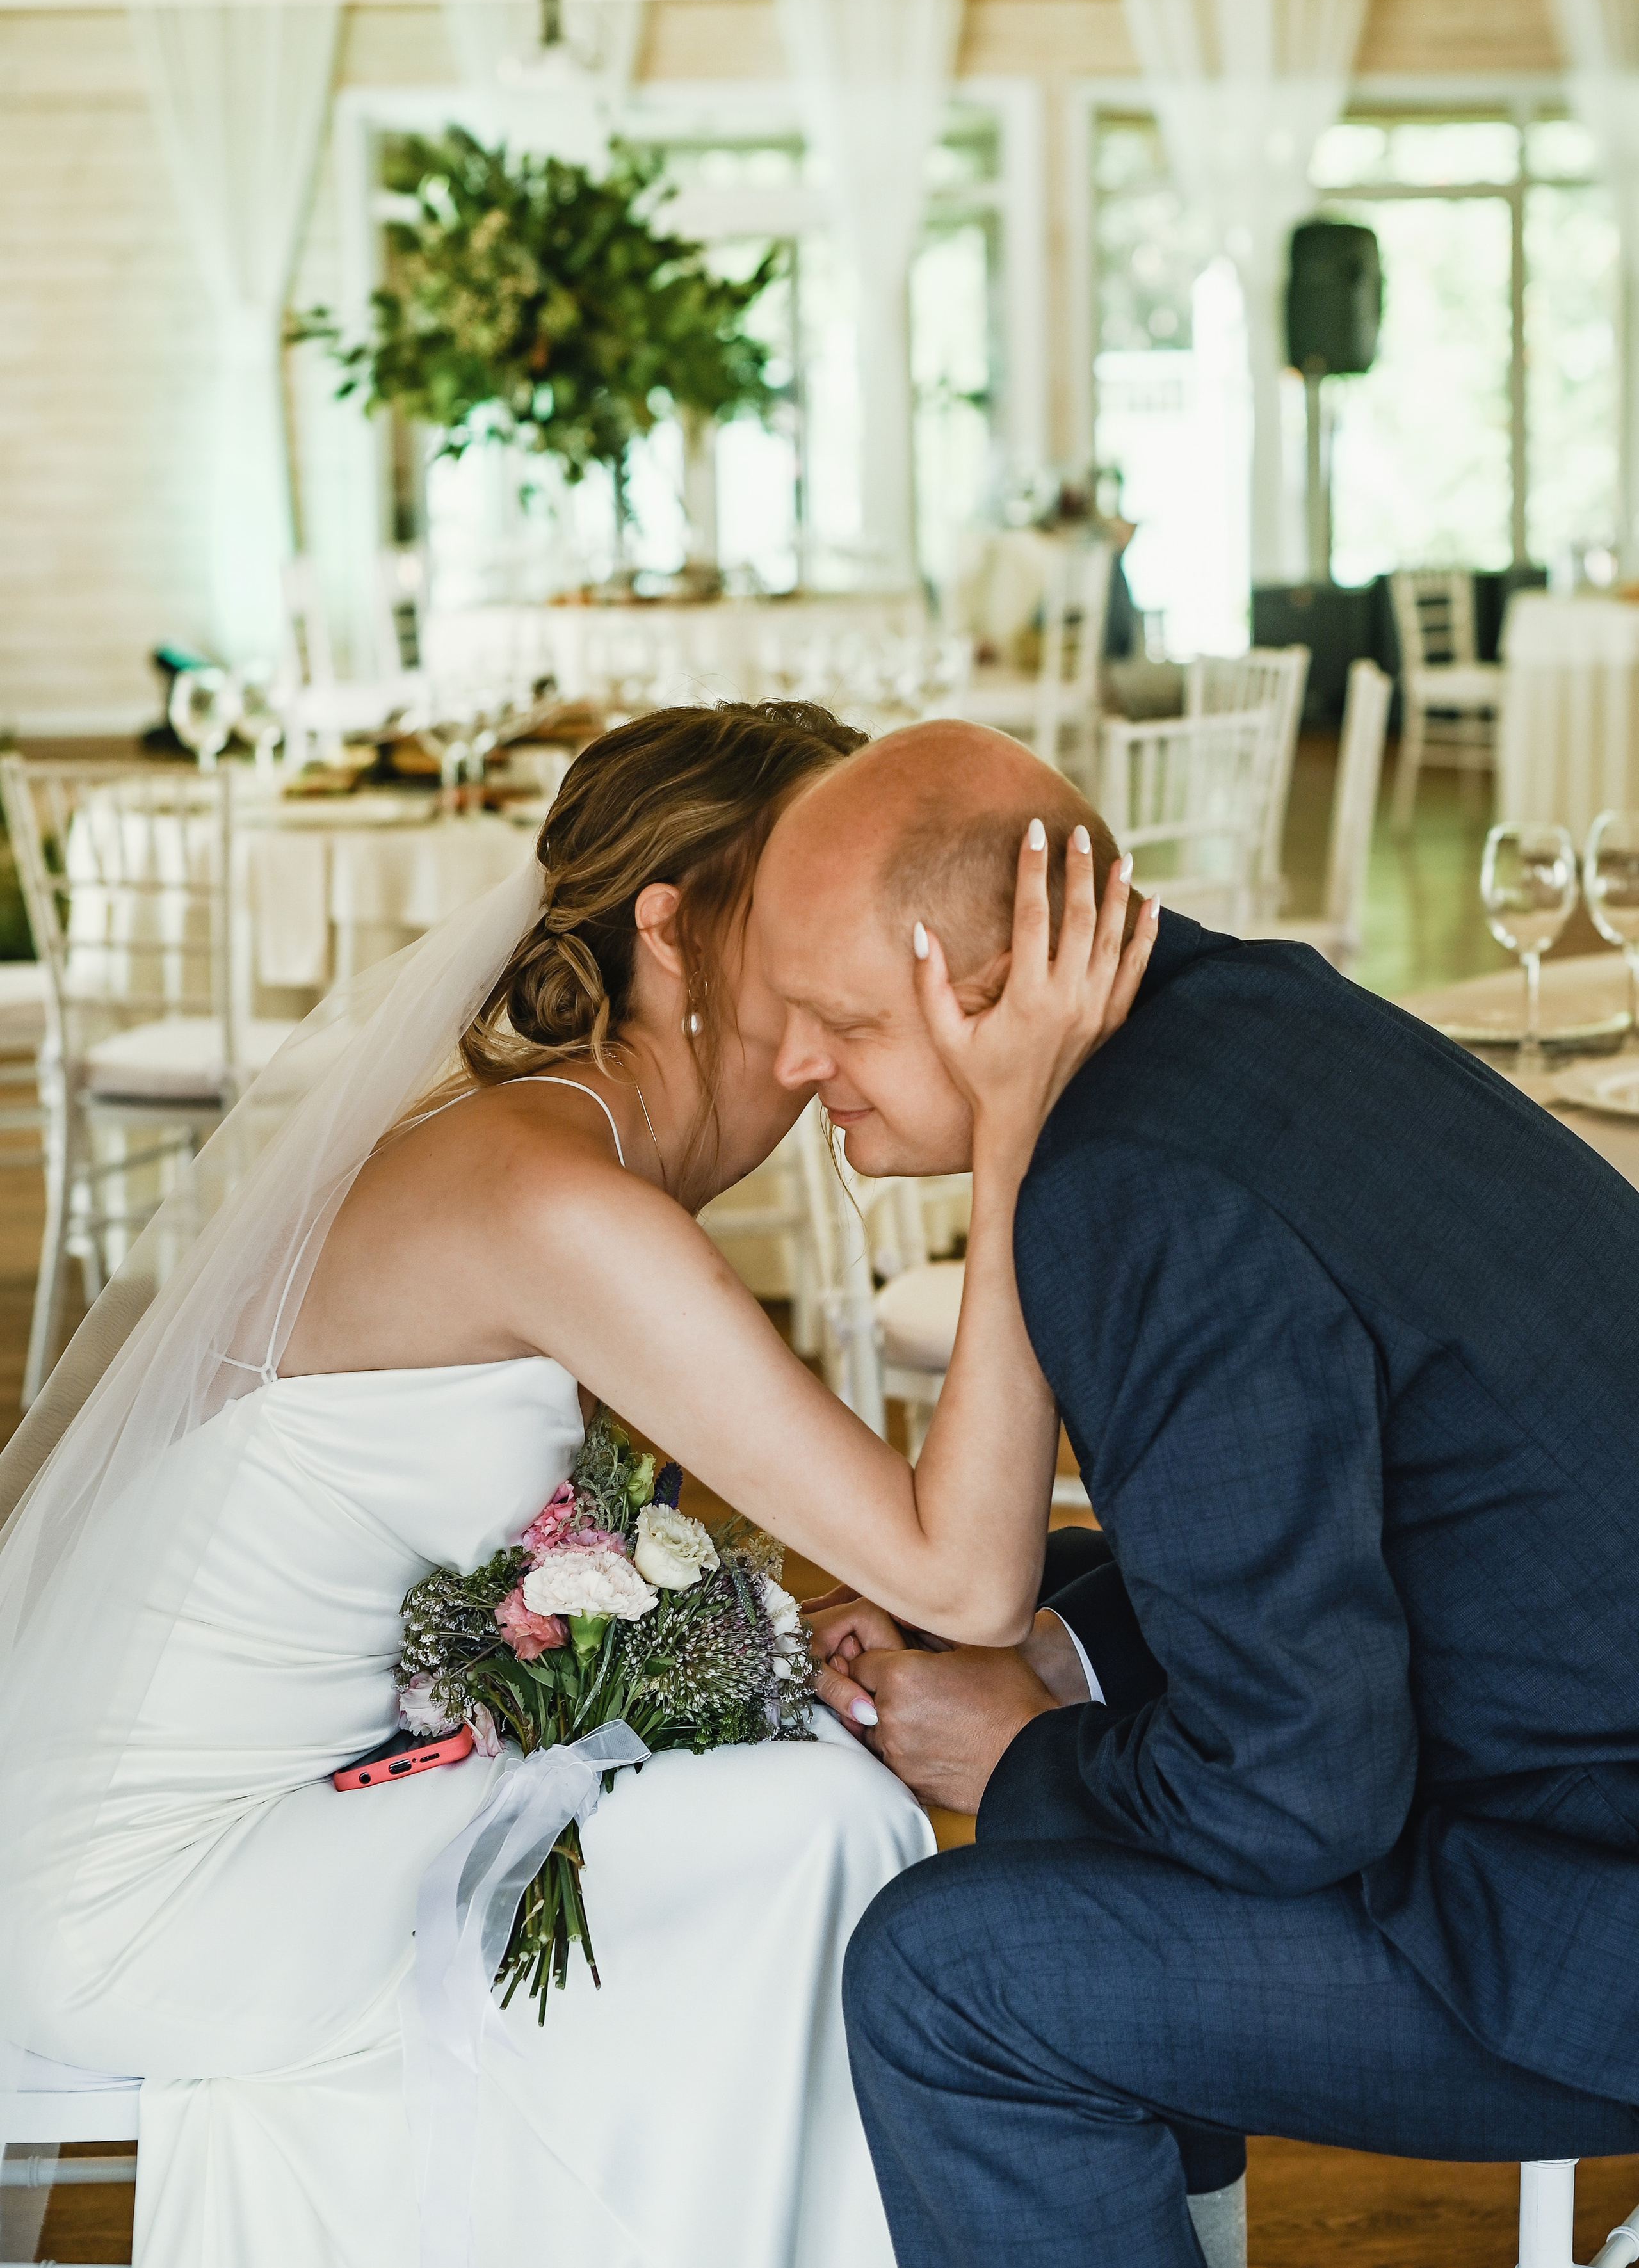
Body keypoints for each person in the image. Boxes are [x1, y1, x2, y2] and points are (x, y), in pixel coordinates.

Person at [0, 700, 1149, 2268]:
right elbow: (965, 1578)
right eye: (801, 935)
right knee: (811, 1817)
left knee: (794, 1784)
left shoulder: (543, 1147)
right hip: (166, 1894)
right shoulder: (559, 1203)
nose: (845, 996)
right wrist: (1018, 1132)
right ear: (668, 935)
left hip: (270, 1812)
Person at [752, 716, 1639, 2268]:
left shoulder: (1128, 1188)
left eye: (833, 1018)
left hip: (1589, 1912)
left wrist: (1027, 1748)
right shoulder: (1257, 1020)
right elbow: (1320, 1533)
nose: (789, 1065)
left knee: (944, 1980)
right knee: (1076, 1798)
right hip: (1574, 1784)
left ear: (1001, 979)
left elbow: (1298, 1792)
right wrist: (1061, 1653)